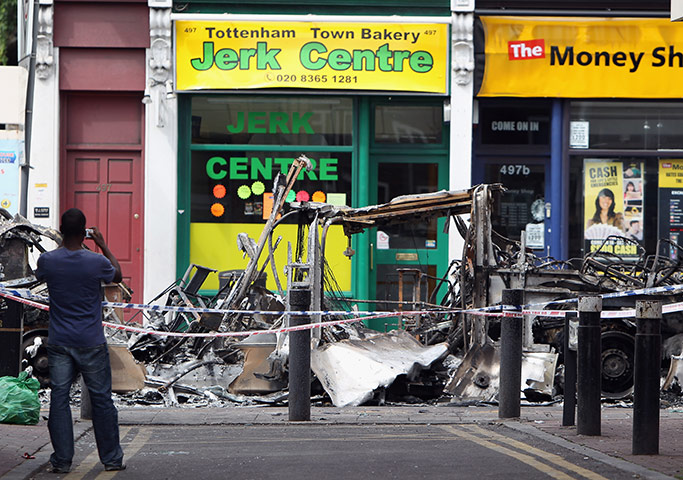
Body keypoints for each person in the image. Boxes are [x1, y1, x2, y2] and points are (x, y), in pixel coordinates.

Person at [36, 208, 125, 473]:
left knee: (60, 399)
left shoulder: (47, 260)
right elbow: (117, 275)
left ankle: (62, 461)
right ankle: (111, 459)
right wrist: (102, 244)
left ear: (61, 230)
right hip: (91, 341)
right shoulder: (96, 262)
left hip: (60, 341)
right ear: (84, 232)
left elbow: (41, 276)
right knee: (101, 400)